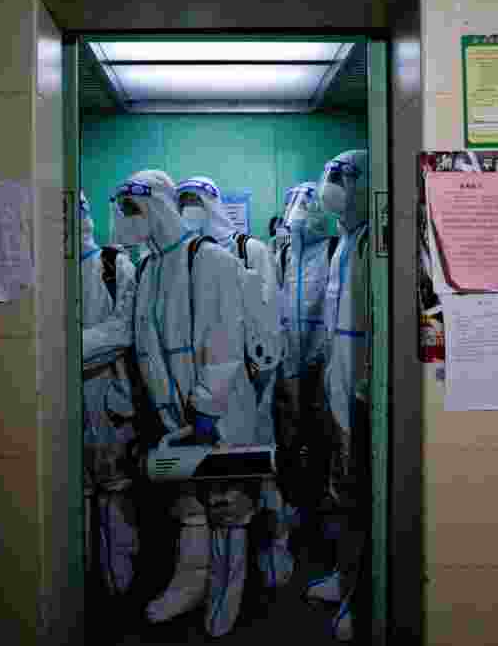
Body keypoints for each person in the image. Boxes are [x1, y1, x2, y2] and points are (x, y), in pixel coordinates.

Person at [109, 170, 260, 637]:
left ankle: (225, 595)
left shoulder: (209, 259)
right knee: (189, 503)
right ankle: (191, 583)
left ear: (156, 206)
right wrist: (163, 409)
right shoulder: (152, 266)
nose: (125, 222)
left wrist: (207, 407)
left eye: (132, 211)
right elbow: (146, 344)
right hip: (175, 414)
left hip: (220, 412)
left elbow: (224, 339)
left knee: (227, 505)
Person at [175, 175, 294, 591]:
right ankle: (220, 574)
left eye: (195, 201)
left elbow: (266, 320)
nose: (188, 210)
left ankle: (276, 546)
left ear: (212, 205)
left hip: (248, 382)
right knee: (216, 483)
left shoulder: (248, 249)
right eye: (181, 201)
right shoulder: (183, 259)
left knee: (261, 469)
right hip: (207, 385)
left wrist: (259, 383)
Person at [303, 150, 372, 642]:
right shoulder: (345, 242)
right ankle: (346, 576)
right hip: (337, 376)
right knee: (342, 487)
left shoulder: (372, 241)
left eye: (343, 177)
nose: (333, 186)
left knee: (364, 494)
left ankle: (363, 594)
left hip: (361, 384)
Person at [79, 192, 140, 598]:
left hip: (108, 394)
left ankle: (119, 582)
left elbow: (123, 332)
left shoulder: (114, 265)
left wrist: (62, 349)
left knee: (115, 491)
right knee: (73, 491)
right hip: (61, 398)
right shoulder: (44, 270)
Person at [275, 181, 341, 519]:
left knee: (320, 437)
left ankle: (318, 511)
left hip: (321, 362)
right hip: (289, 361)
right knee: (289, 436)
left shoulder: (333, 249)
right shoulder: (285, 254)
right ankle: (293, 508)